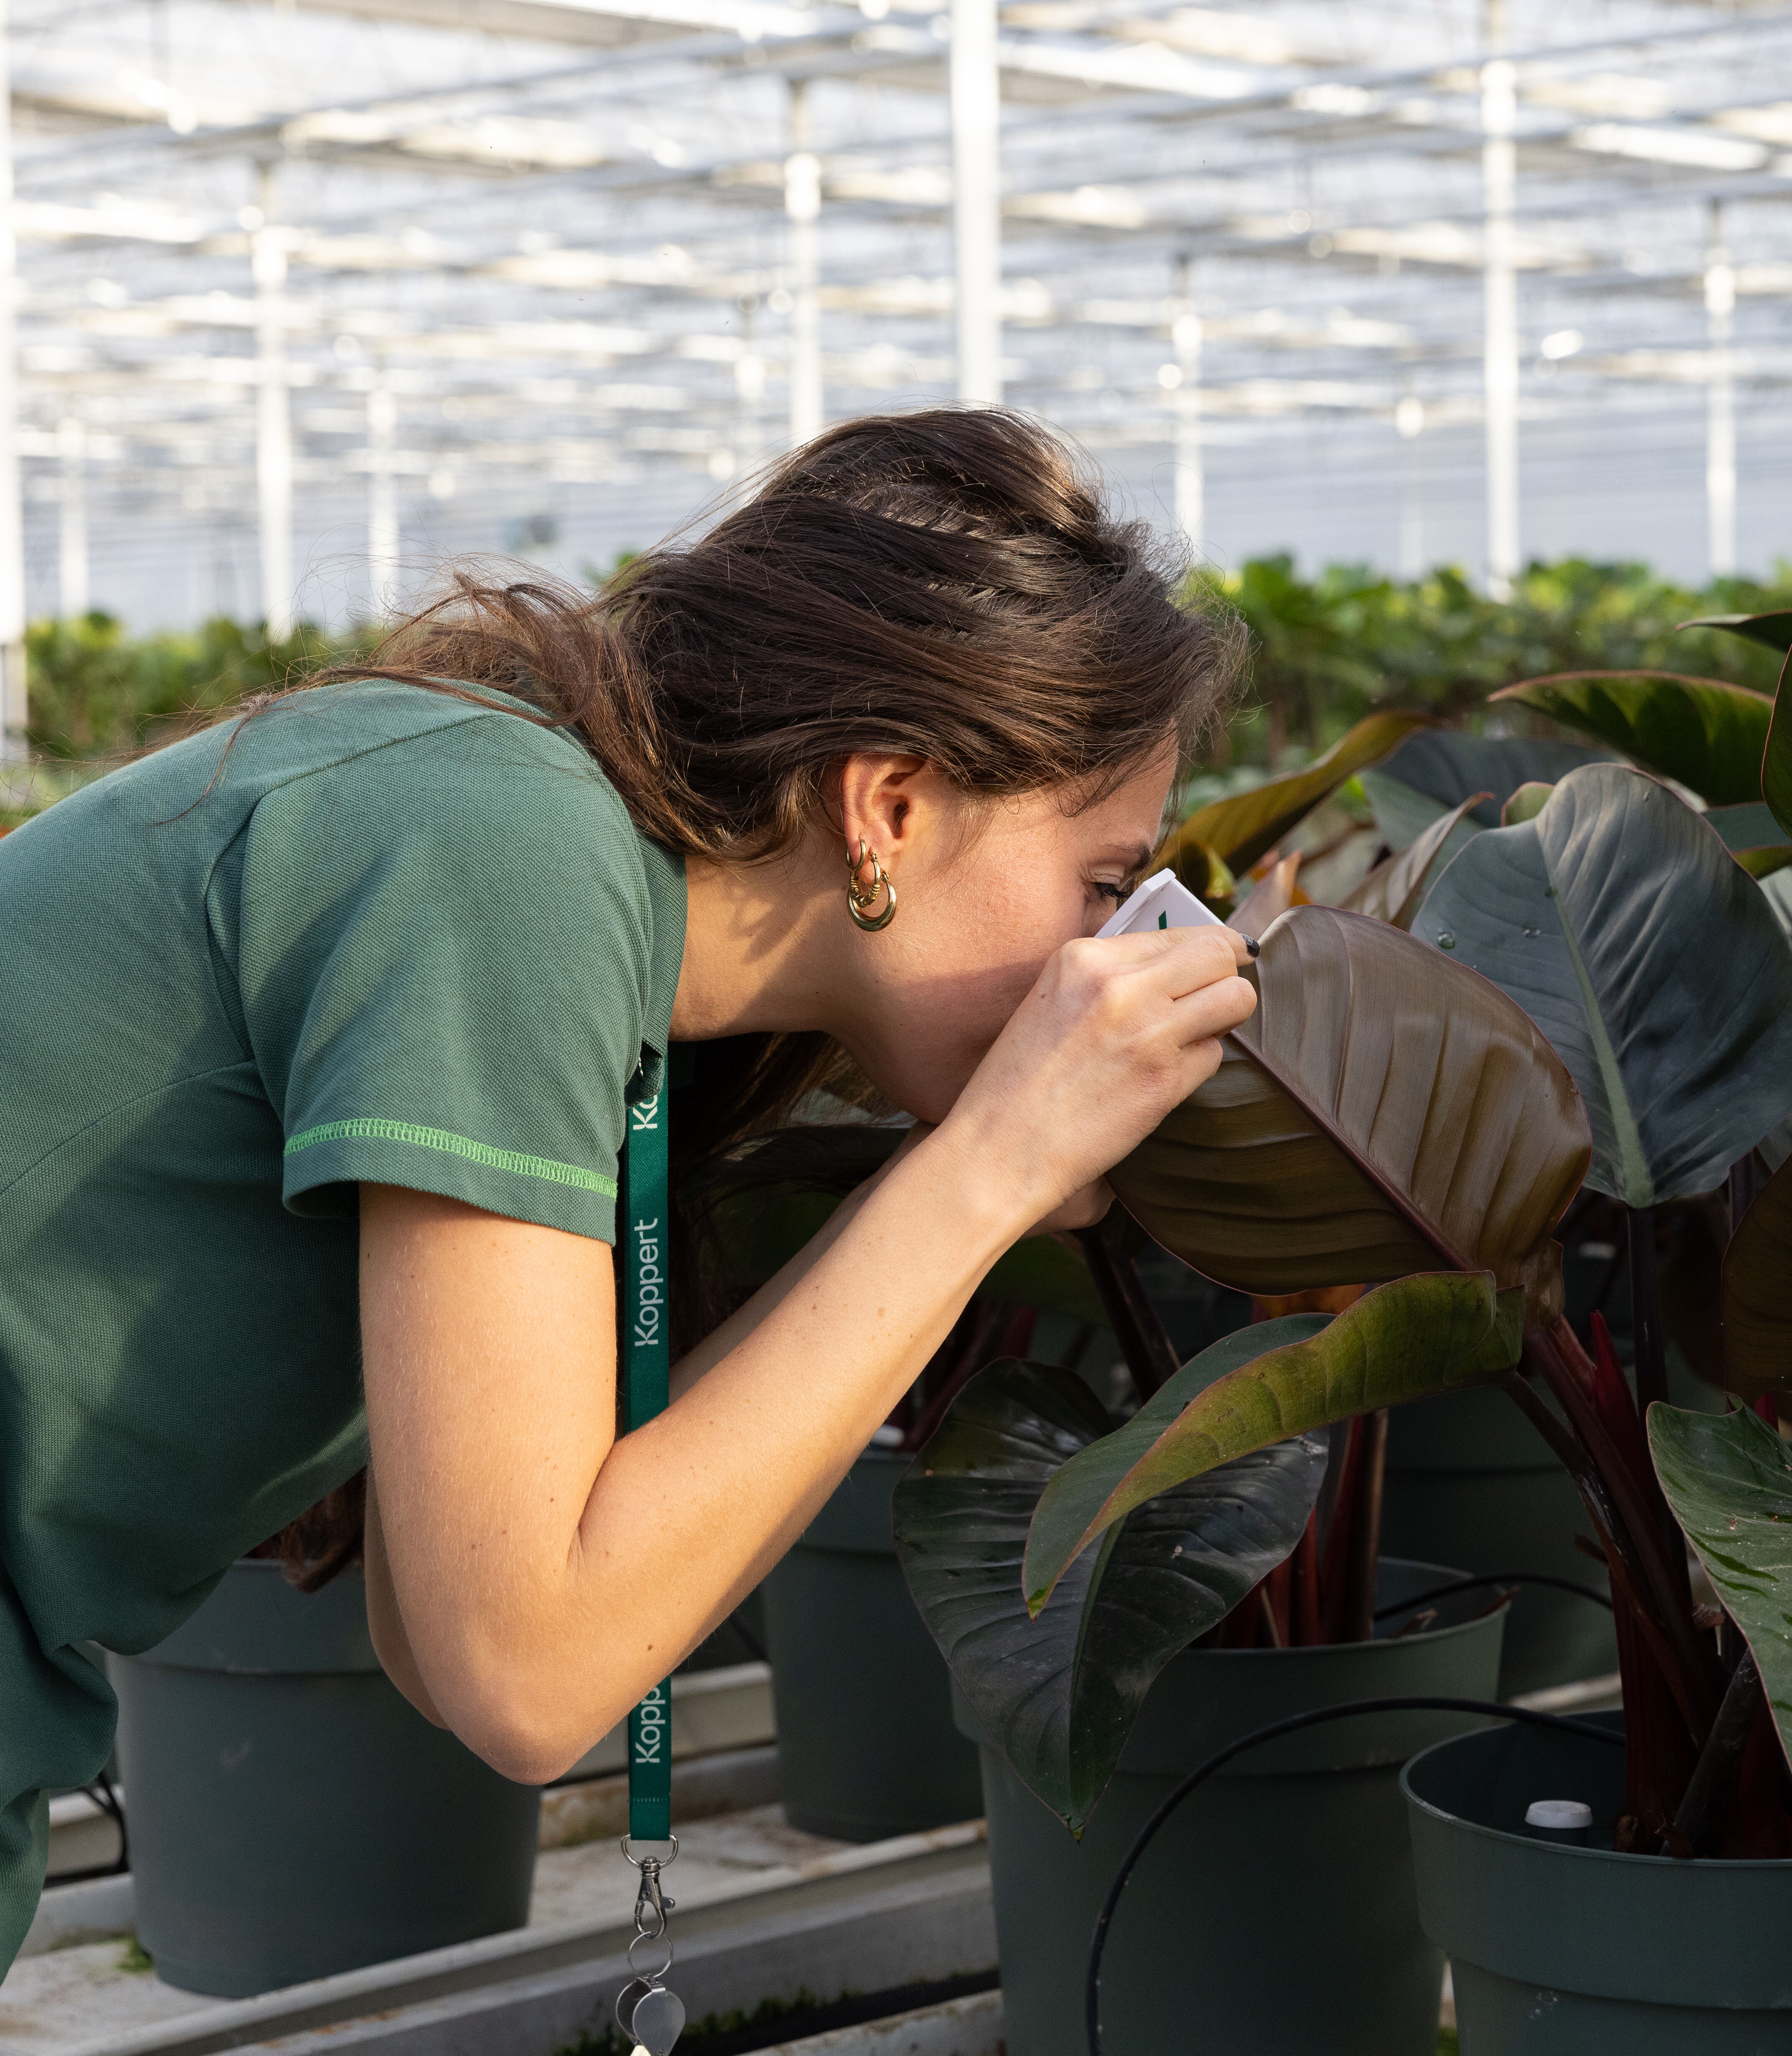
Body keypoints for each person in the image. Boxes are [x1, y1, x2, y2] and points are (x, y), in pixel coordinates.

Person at [0, 410, 1257, 1957]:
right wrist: (988, 1171)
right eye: (1096, 879)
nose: (1107, 943)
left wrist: (968, 1178)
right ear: (889, 804)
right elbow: (528, 1669)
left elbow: (449, 1629)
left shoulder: (566, 885)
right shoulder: (508, 848)